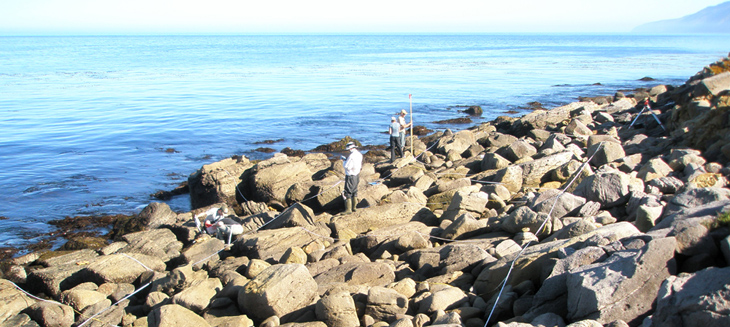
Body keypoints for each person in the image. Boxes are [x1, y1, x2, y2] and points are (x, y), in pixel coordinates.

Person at [343, 141, 363, 214]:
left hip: (350, 175)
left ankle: (348, 210)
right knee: (354, 191)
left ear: (350, 149)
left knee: (347, 192)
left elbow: (347, 167)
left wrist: (344, 161)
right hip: (357, 175)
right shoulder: (359, 154)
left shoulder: (351, 156)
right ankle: (354, 207)